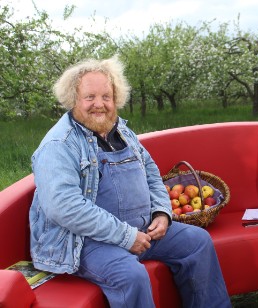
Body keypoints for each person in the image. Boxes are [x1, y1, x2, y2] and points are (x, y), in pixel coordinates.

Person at [29, 56, 231, 308]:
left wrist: (162, 212)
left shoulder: (122, 132)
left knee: (197, 242)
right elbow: (64, 208)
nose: (99, 104)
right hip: (85, 242)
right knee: (131, 276)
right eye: (90, 97)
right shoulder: (58, 145)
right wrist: (126, 236)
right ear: (74, 100)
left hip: (141, 230)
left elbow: (151, 173)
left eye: (106, 96)